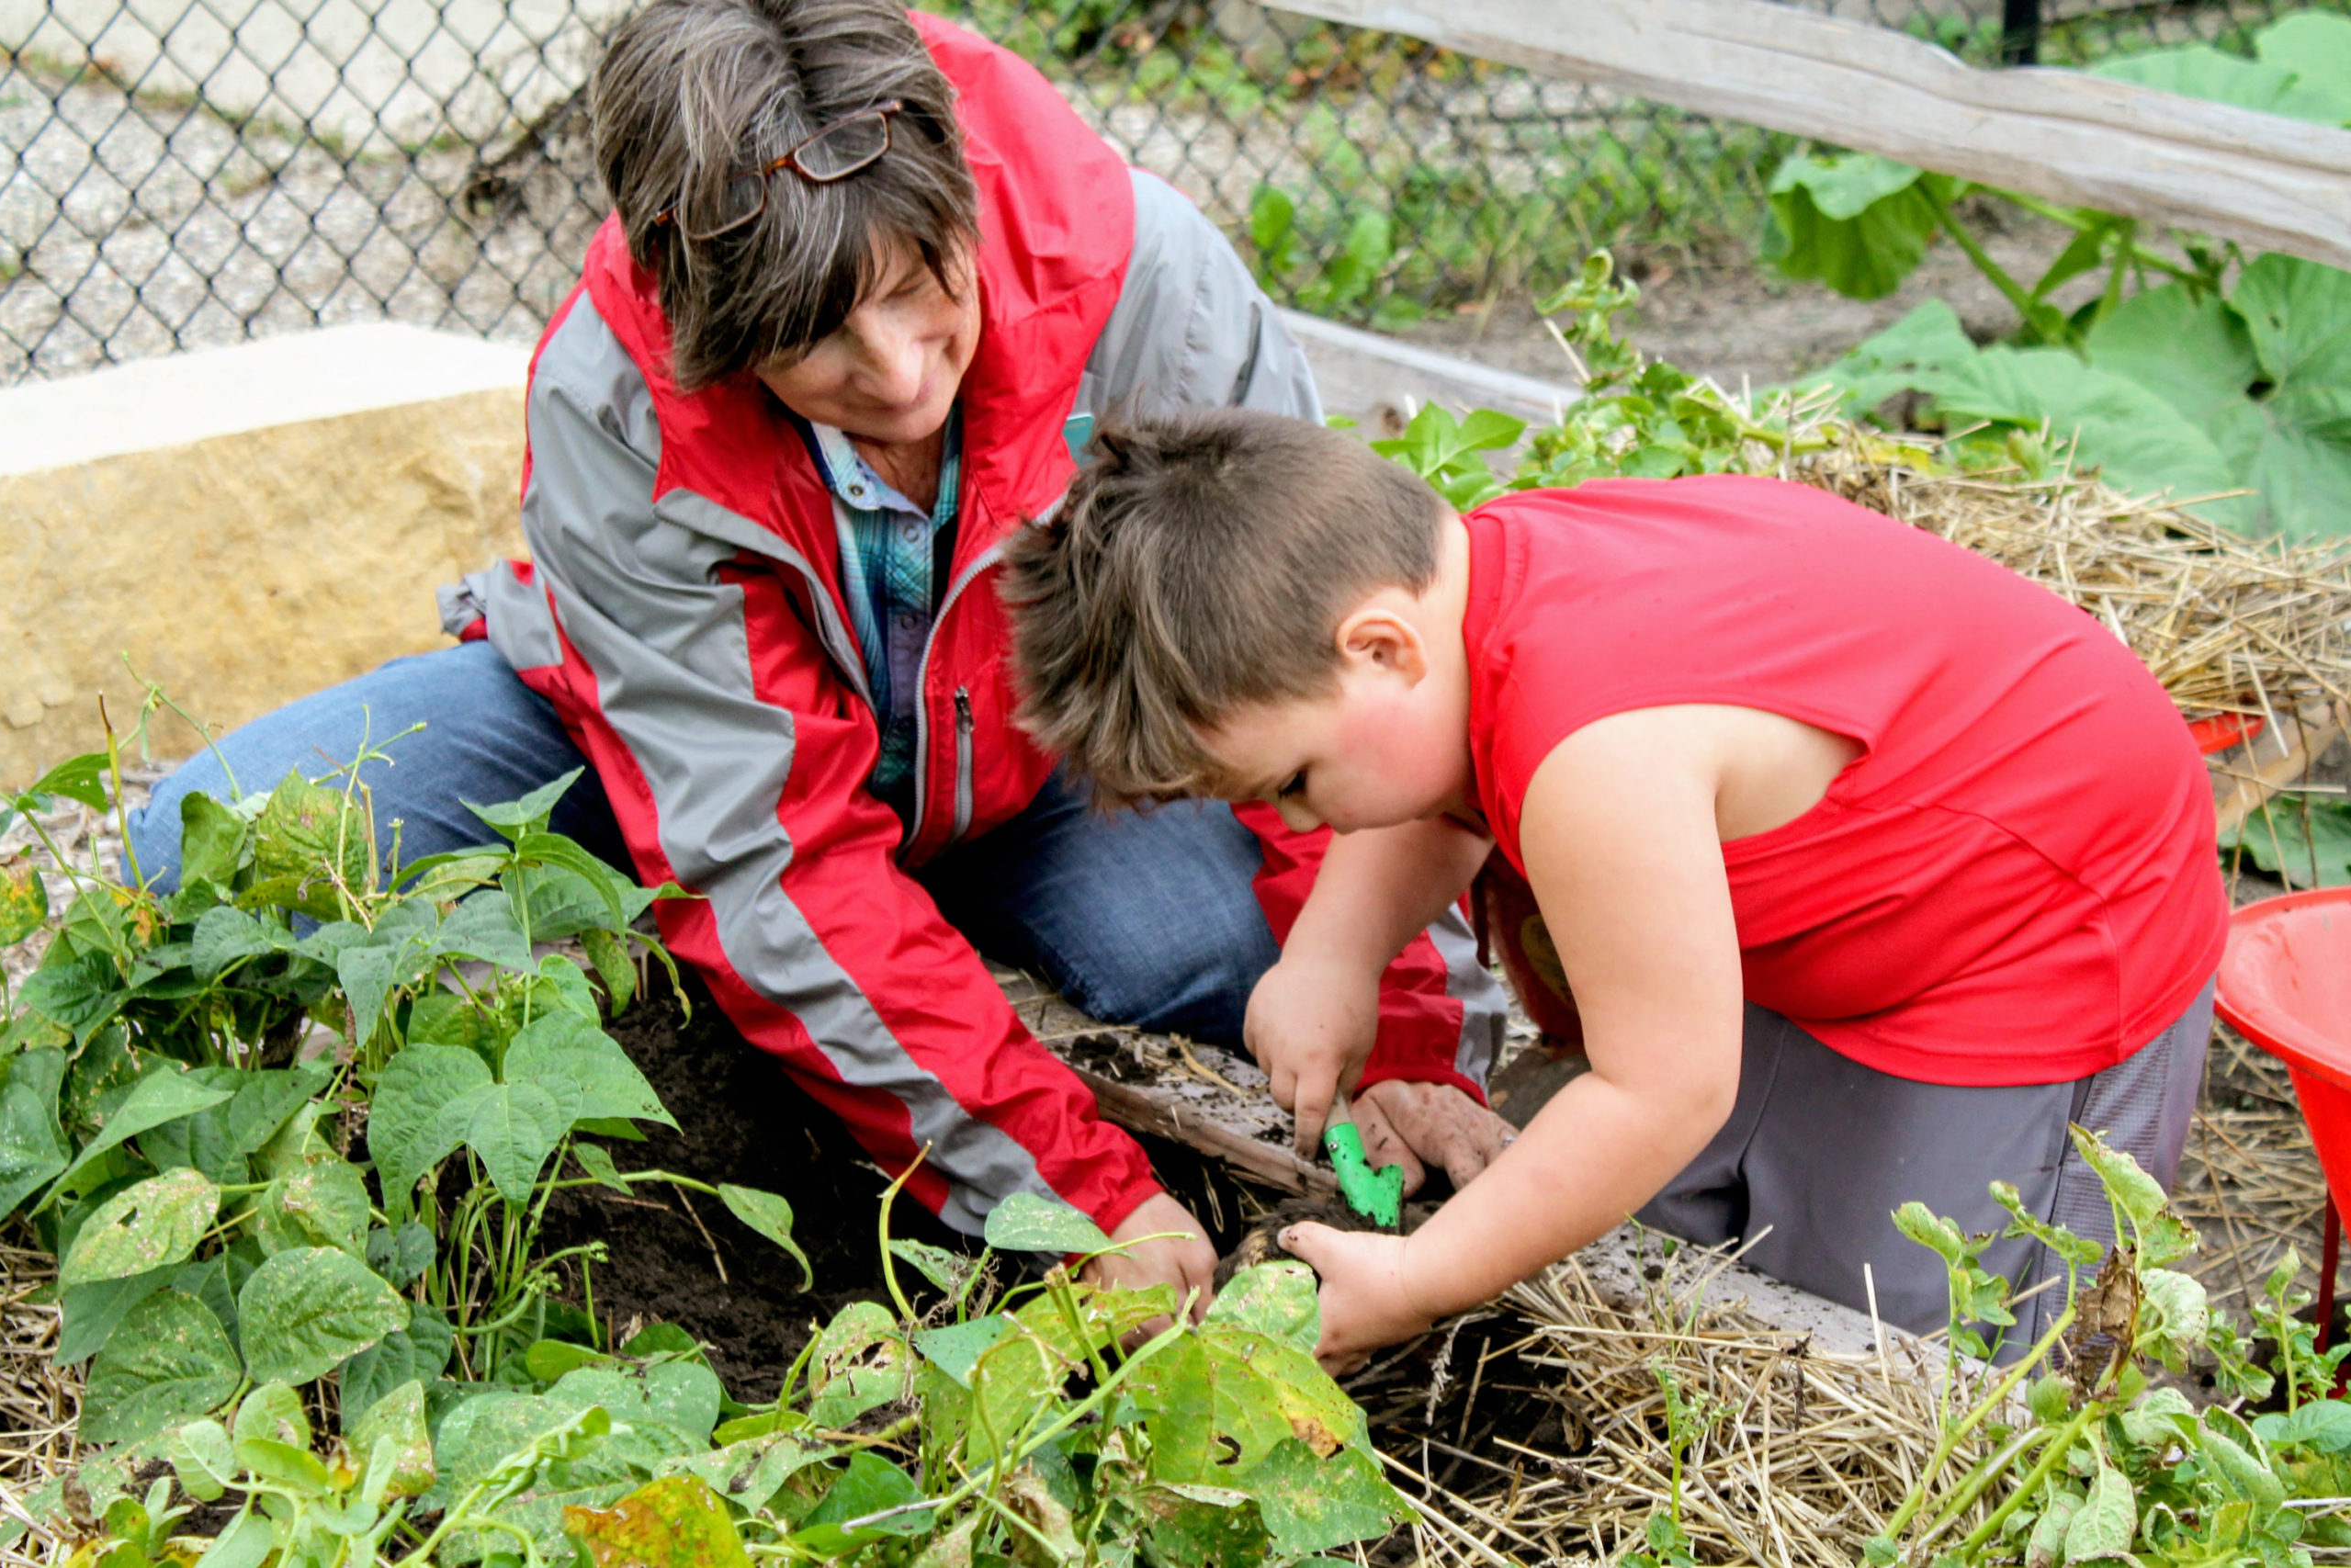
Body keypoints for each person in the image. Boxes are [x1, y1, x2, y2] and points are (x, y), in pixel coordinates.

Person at [125, 0, 1513, 1307]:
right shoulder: (618, 399)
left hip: (1033, 773)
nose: (904, 375)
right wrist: (1078, 1194)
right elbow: (768, 850)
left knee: (1213, 958)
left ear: (955, 185)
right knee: (208, 854)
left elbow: (1317, 672)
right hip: (651, 754)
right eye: (816, 342)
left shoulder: (1136, 276)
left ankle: (897, 986)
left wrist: (1400, 1044)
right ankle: (869, 996)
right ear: (704, 321)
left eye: (923, 289)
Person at [1001, 410, 2229, 1369]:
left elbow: (1664, 1088)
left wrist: (1423, 1278)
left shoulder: (1596, 756)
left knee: (1917, 1322)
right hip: (1869, 872)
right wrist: (1331, 950)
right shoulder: (1464, 588)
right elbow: (1432, 770)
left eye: (1299, 783)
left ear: (1382, 647)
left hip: (2041, 928)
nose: (1301, 823)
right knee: (1694, 1234)